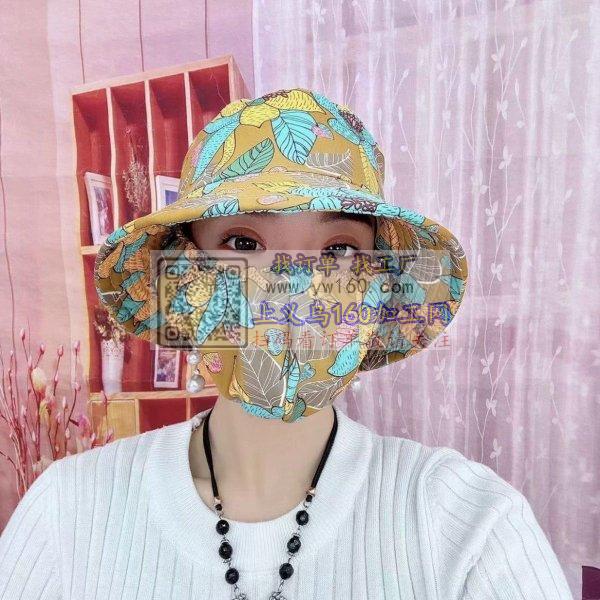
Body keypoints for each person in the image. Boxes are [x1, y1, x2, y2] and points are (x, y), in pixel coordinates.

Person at [0, 88, 573, 599]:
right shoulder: (67, 516)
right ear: (184, 276)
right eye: (243, 242)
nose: (293, 286)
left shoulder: (469, 526)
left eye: (339, 249)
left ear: (377, 288)